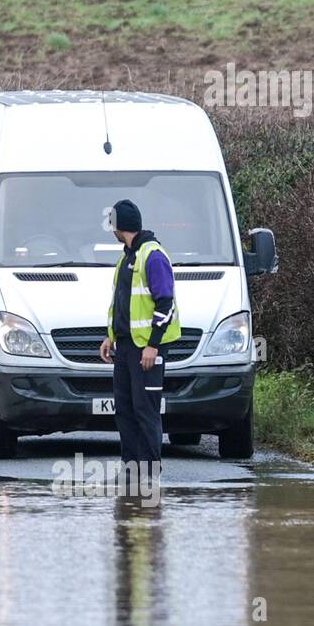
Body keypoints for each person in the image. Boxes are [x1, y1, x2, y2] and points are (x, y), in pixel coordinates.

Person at [98, 199, 179, 486]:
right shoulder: (127, 257)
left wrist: (153, 345)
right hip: (126, 346)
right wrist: (111, 336)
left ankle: (149, 470)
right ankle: (131, 466)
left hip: (147, 349)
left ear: (120, 226)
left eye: (113, 225)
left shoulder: (152, 255)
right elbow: (122, 304)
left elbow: (165, 302)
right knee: (125, 407)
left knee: (145, 409)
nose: (111, 231)